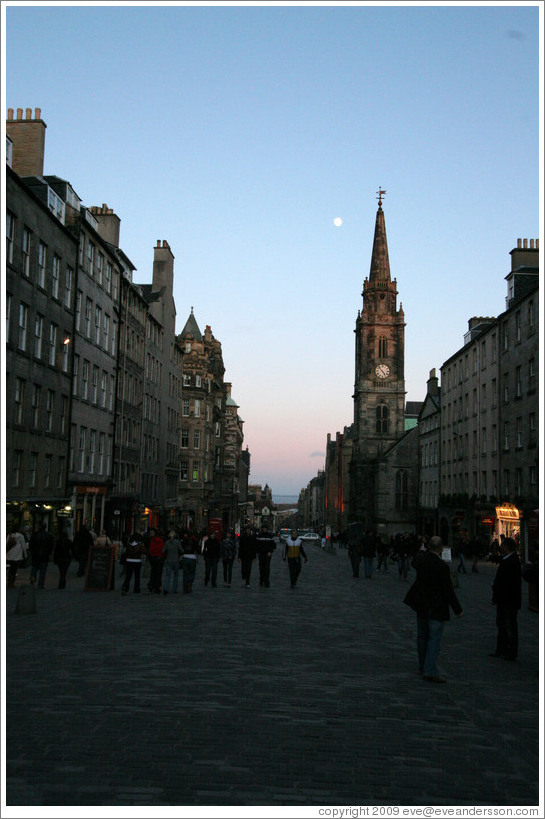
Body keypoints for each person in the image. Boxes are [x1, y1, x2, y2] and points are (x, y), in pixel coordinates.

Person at [403, 535, 463, 683]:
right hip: (436, 606)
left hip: (421, 605)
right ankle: (430, 670)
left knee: (422, 637)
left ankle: (423, 666)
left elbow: (415, 561)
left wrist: (422, 551)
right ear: (441, 548)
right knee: (434, 639)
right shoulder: (442, 566)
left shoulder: (421, 560)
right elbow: (448, 590)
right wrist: (458, 609)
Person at [490, 536, 522, 661]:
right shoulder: (507, 559)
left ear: (507, 547)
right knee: (501, 624)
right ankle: (501, 649)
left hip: (509, 600)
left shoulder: (512, 561)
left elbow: (510, 584)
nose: (501, 547)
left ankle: (511, 651)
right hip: (503, 600)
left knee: (510, 625)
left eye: (502, 545)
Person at [29, 523, 54, 588]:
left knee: (34, 568)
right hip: (44, 556)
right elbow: (51, 546)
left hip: (35, 555)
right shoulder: (48, 535)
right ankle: (41, 584)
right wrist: (49, 552)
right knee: (43, 571)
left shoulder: (35, 535)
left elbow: (31, 545)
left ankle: (32, 579)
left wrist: (32, 552)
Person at [121, 530, 147, 595]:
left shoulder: (128, 544)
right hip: (137, 561)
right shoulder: (140, 545)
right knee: (137, 576)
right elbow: (144, 551)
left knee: (128, 576)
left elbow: (125, 552)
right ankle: (136, 589)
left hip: (129, 560)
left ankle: (126, 587)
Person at [147, 528, 165, 593]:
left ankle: (151, 583)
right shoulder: (161, 540)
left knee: (153, 572)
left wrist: (151, 555)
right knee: (158, 573)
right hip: (160, 557)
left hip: (153, 557)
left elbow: (150, 549)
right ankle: (156, 586)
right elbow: (163, 549)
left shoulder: (152, 540)